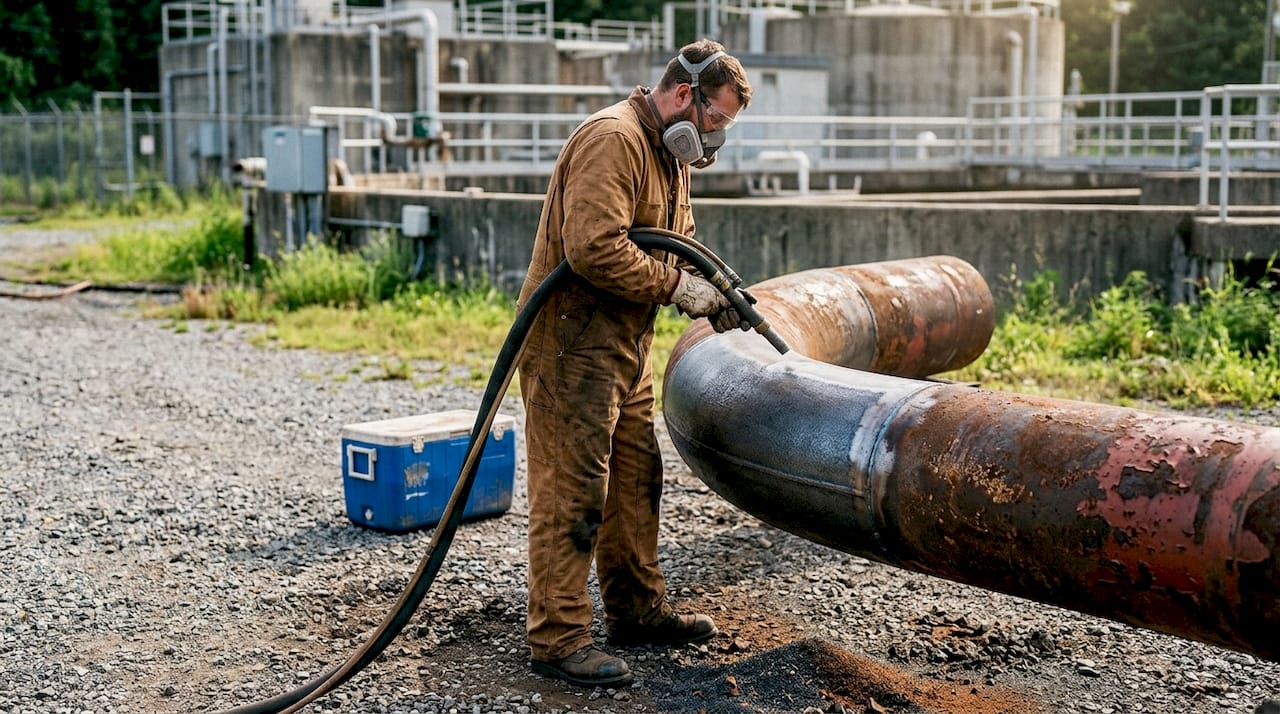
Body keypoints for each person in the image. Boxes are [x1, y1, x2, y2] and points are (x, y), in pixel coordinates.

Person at [515, 39, 753, 688]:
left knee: (635, 480)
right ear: (684, 95)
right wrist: (679, 288)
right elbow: (594, 249)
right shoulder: (613, 140)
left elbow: (678, 242)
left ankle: (636, 610)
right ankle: (557, 637)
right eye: (717, 121)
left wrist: (717, 288)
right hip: (573, 347)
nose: (717, 137)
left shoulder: (669, 157)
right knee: (575, 491)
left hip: (625, 347)